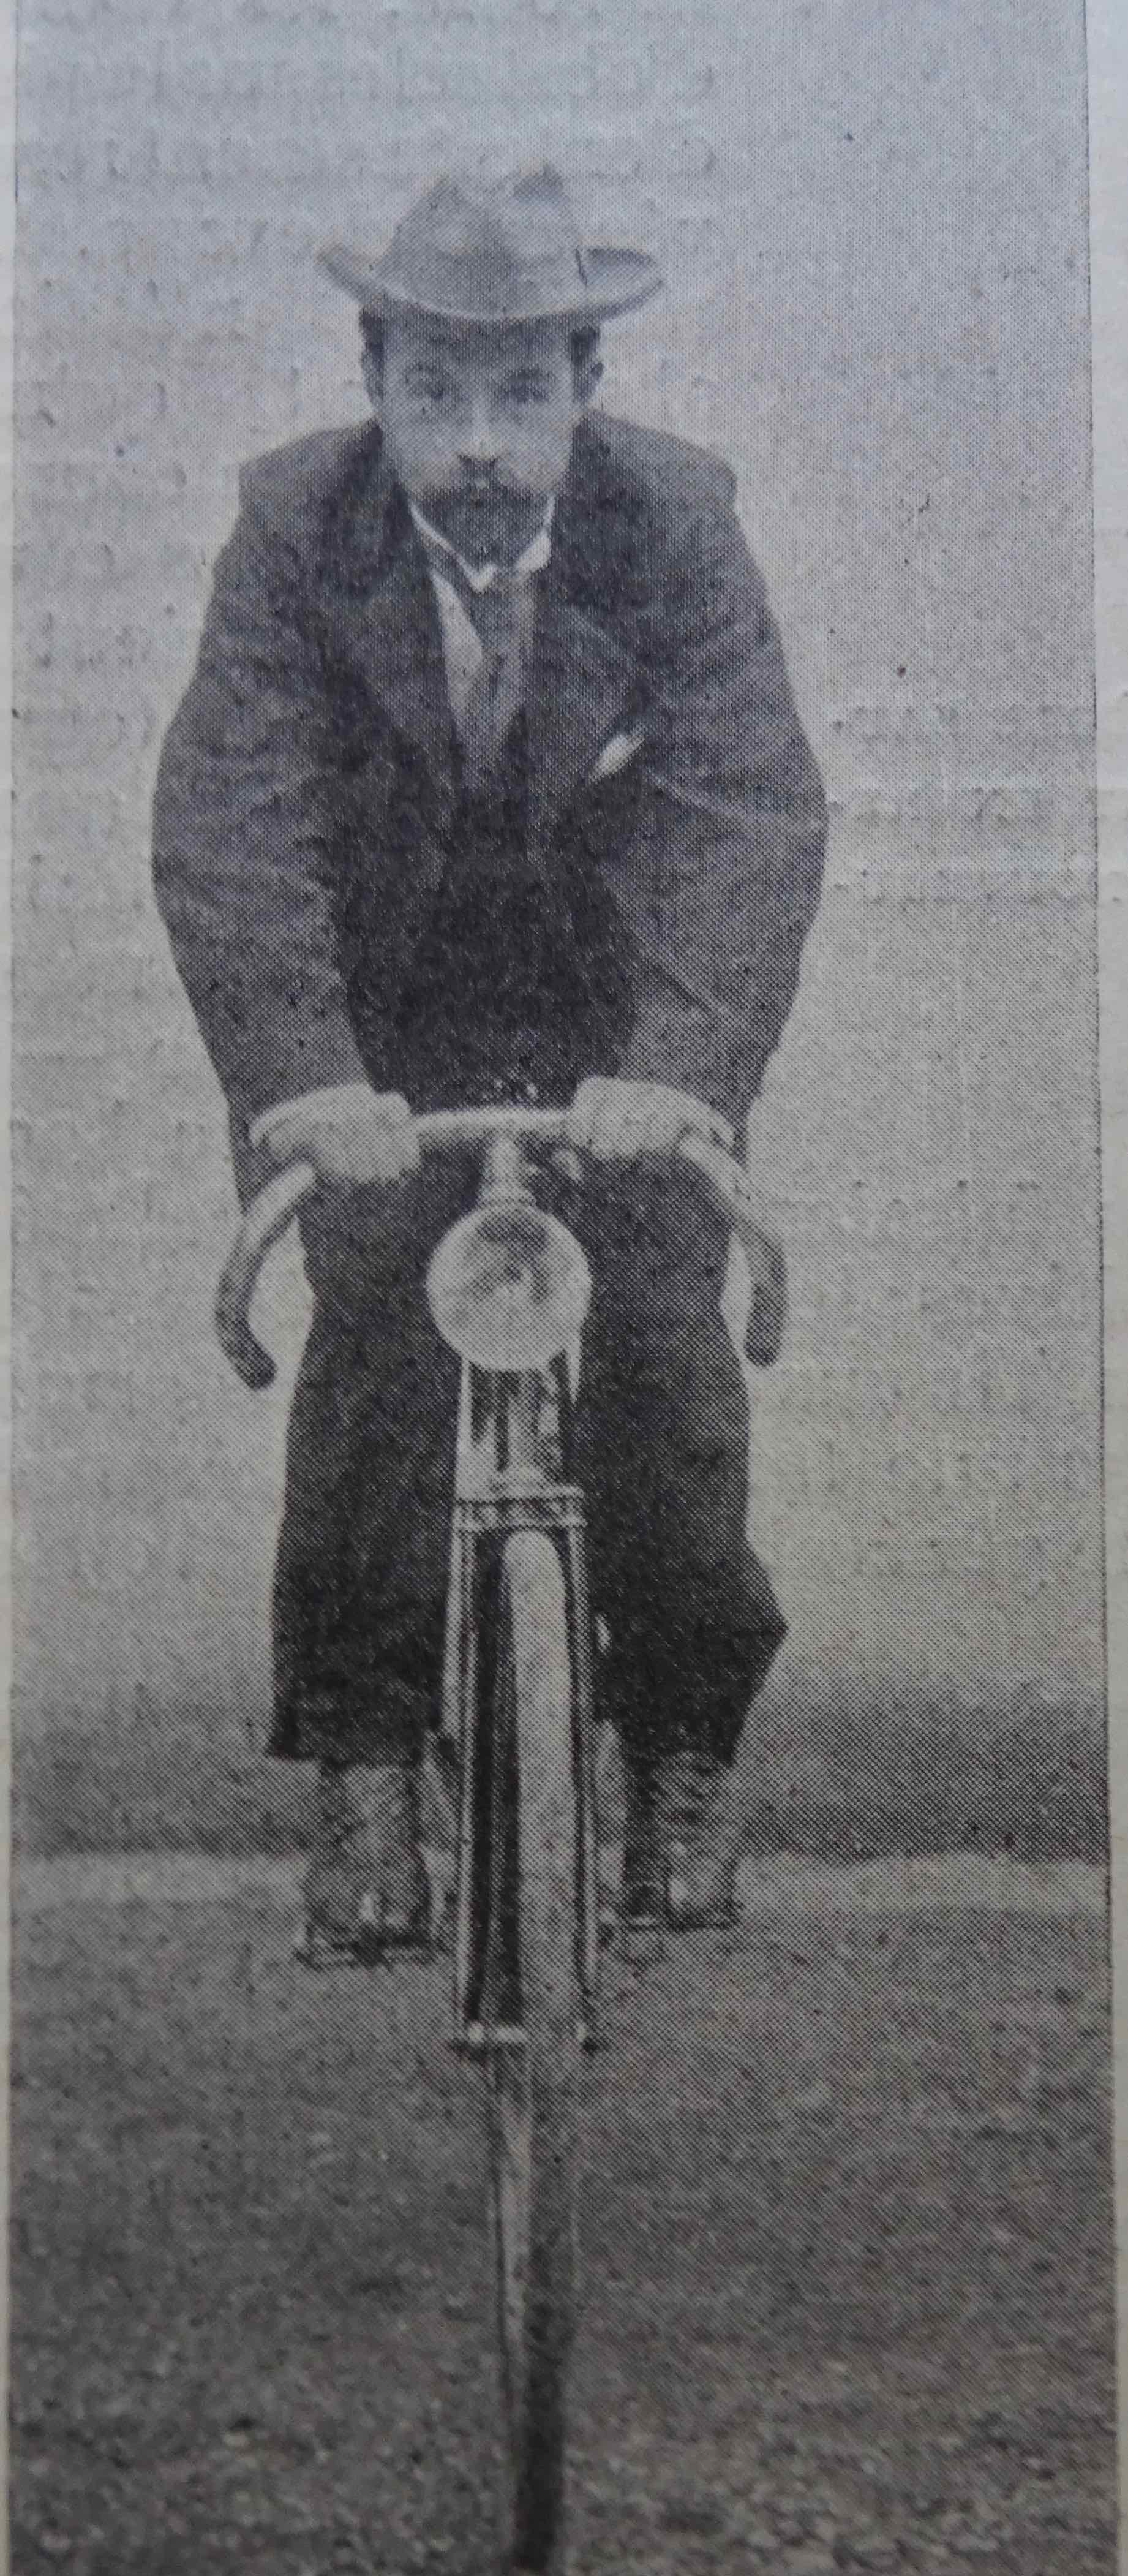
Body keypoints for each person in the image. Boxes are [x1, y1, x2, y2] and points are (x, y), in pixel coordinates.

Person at [152, 162, 827, 1956]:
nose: (474, 441)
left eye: (520, 391)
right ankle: (367, 1769)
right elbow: (233, 821)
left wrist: (683, 1069)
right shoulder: (293, 531)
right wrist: (304, 1081)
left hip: (618, 1016)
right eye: (435, 389)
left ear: (584, 388)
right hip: (383, 1032)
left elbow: (745, 811)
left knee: (663, 1334)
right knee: (378, 1324)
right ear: (373, 383)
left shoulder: (675, 524)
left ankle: (678, 1751)